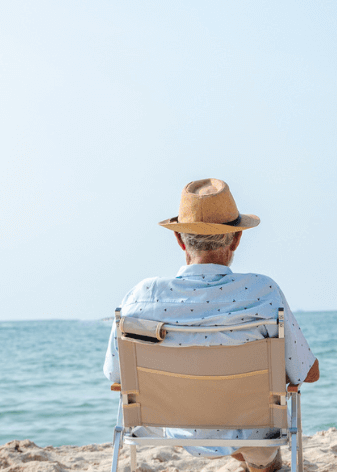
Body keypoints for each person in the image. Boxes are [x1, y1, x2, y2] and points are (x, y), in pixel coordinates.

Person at [103, 178, 320, 472]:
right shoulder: (263, 292)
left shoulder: (140, 297)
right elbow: (307, 373)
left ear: (180, 240)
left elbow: (115, 375)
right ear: (237, 238)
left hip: (169, 427)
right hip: (250, 428)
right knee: (262, 443)